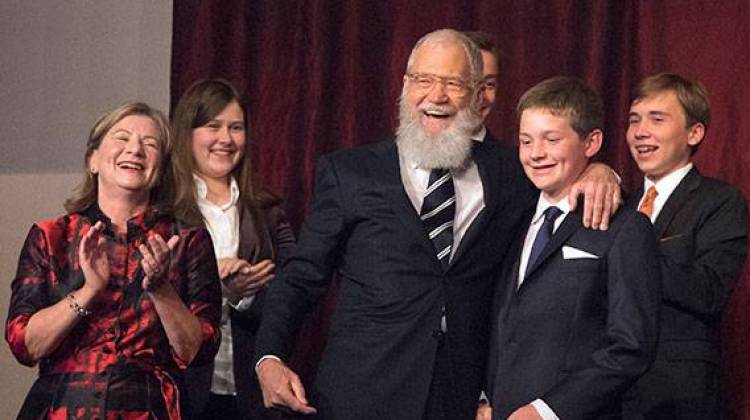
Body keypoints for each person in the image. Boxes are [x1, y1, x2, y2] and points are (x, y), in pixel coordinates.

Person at [253, 29, 620, 420]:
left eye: (453, 83)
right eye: (423, 80)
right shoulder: (350, 173)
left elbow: (562, 175)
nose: (436, 95)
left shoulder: (514, 172)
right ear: (404, 86)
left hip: (459, 400)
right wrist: (269, 356)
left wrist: (600, 170)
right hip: (359, 395)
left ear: (479, 95)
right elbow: (302, 277)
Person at [5, 103, 222, 419]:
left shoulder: (188, 241)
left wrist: (161, 289)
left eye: (150, 144)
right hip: (61, 407)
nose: (135, 149)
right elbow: (25, 345)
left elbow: (198, 351)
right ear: (93, 159)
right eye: (122, 138)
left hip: (151, 408)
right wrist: (88, 291)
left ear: (160, 168)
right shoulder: (51, 235)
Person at [483, 77, 661, 420]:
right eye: (525, 141)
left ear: (591, 141)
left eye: (551, 140)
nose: (536, 154)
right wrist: (483, 396)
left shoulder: (625, 229)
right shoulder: (511, 221)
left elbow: (630, 347)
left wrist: (547, 411)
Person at [621, 73, 748, 419]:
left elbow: (708, 290)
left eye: (657, 119)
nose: (640, 131)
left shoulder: (720, 201)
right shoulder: (617, 204)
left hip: (678, 395)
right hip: (612, 392)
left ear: (694, 133)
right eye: (634, 120)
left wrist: (631, 255)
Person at [169, 79, 296, 419]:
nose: (225, 139)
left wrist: (244, 295)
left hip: (250, 393)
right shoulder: (163, 209)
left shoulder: (268, 210)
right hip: (179, 391)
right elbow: (145, 298)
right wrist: (216, 288)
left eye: (236, 128)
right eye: (213, 126)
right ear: (188, 133)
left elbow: (292, 293)